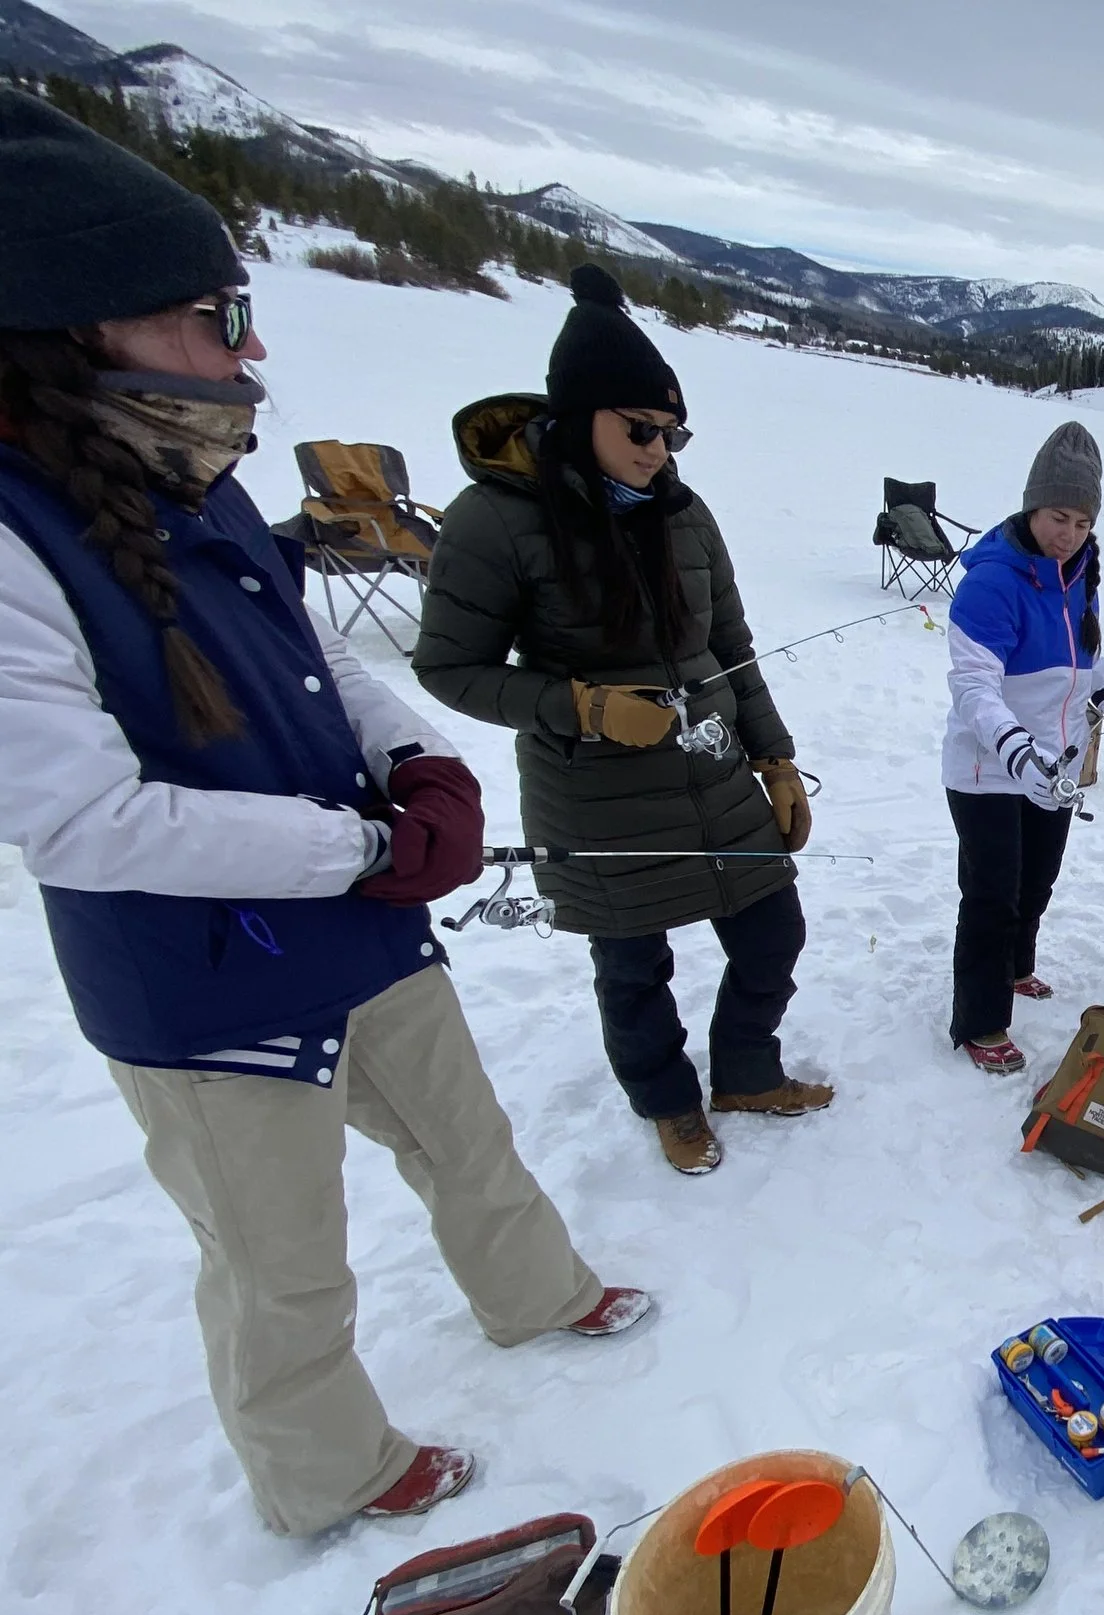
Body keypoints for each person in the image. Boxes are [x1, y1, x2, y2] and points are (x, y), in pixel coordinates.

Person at [0, 95, 647, 1533]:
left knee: (468, 1142)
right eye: (218, 315)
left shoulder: (193, 472)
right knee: (277, 1262)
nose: (250, 349)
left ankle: (535, 1292)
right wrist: (359, 845)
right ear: (82, 325)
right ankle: (325, 1470)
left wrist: (421, 764)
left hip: (360, 924)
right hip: (204, 986)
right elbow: (82, 819)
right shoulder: (13, 533)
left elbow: (319, 656)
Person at [414, 265, 827, 1174]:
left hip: (714, 778)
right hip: (595, 799)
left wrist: (776, 759)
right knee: (634, 969)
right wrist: (582, 707)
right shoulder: (495, 519)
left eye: (673, 432)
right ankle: (669, 1102)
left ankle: (746, 1072)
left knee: (774, 933)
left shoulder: (684, 513)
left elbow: (732, 648)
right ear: (579, 415)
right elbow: (447, 667)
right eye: (640, 428)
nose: (658, 449)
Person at [941, 419, 1104, 1072]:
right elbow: (974, 688)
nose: (1069, 534)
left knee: (1038, 878)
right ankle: (980, 1020)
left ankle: (1017, 966)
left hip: (1055, 764)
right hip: (988, 768)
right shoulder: (991, 582)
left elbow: (1089, 655)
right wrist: (1017, 750)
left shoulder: (1080, 572)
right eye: (1059, 518)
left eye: (1082, 522)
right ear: (1032, 507)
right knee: (992, 893)